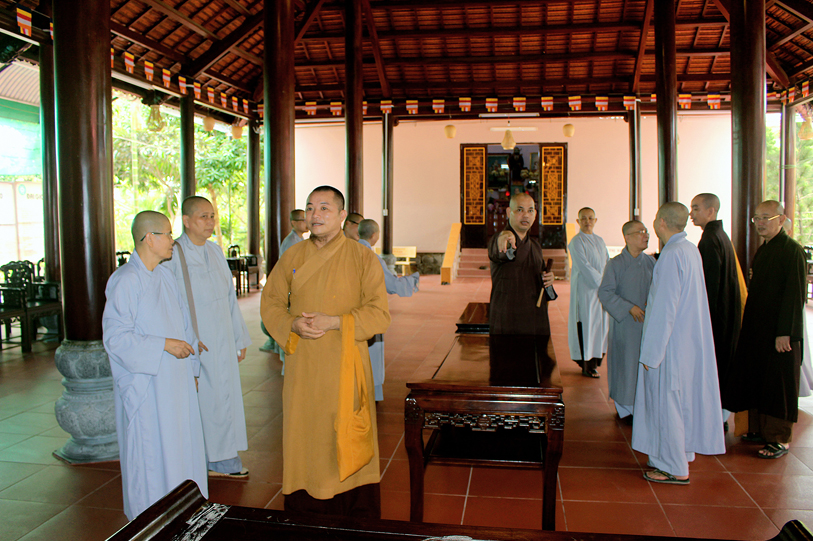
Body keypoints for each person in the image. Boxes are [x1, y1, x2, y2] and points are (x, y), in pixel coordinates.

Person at [261, 186, 390, 517]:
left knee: (346, 431)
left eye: (324, 208)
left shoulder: (362, 257)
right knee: (305, 433)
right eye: (309, 208)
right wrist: (292, 324)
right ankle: (306, 507)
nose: (314, 215)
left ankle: (354, 509)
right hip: (304, 365)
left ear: (342, 215)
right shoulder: (293, 256)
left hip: (346, 363)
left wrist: (336, 322)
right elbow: (271, 301)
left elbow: (379, 314)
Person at [102, 211, 207, 520]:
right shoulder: (125, 280)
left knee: (181, 444)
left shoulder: (165, 275)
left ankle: (183, 508)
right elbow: (116, 338)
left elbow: (184, 323)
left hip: (176, 378)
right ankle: (150, 516)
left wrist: (193, 367)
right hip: (148, 382)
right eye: (167, 234)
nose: (173, 240)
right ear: (149, 238)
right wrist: (162, 344)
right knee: (151, 449)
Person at [632, 202, 725, 484]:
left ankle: (672, 466)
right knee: (680, 401)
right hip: (686, 341)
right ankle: (680, 453)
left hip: (669, 345)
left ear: (661, 222)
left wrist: (651, 353)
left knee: (667, 403)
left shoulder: (672, 254)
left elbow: (664, 308)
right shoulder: (689, 249)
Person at [164, 196, 252, 478]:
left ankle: (223, 456)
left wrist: (239, 337)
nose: (210, 222)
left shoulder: (214, 251)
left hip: (222, 338)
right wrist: (184, 337)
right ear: (186, 221)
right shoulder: (173, 255)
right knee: (205, 402)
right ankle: (206, 460)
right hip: (196, 343)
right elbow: (167, 303)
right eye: (203, 216)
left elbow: (229, 298)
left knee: (225, 399)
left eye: (212, 216)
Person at [729, 200, 806, 459]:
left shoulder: (792, 251)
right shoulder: (764, 250)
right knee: (761, 379)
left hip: (780, 334)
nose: (760, 223)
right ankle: (761, 430)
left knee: (779, 385)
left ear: (781, 220)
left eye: (766, 217)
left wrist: (786, 332)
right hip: (760, 330)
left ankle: (779, 438)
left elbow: (795, 295)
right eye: (757, 218)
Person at [689, 193, 741, 430]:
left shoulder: (710, 239)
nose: (691, 214)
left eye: (696, 208)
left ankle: (714, 419)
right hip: (726, 314)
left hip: (715, 317)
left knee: (713, 367)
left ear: (711, 211)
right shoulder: (720, 235)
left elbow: (708, 286)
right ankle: (718, 416)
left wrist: (700, 320)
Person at [597, 220, 655, 422]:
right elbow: (605, 292)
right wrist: (628, 307)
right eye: (640, 232)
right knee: (626, 365)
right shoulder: (616, 264)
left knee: (643, 364)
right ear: (627, 237)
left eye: (646, 231)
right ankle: (625, 408)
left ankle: (643, 406)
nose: (645, 235)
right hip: (626, 326)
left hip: (646, 325)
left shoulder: (651, 262)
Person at [357, 218, 419, 401]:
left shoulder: (348, 252)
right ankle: (370, 393)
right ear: (375, 236)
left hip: (351, 310)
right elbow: (391, 284)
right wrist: (413, 280)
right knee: (372, 354)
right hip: (369, 311)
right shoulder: (371, 257)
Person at [488, 192, 555, 335]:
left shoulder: (535, 246)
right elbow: (501, 249)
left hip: (535, 317)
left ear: (535, 214)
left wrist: (549, 279)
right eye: (520, 210)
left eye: (530, 211)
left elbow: (542, 279)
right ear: (508, 212)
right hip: (508, 317)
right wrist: (504, 236)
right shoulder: (499, 239)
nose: (526, 215)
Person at [260, 209, 309, 359]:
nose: (306, 223)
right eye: (302, 220)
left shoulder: (300, 239)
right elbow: (292, 268)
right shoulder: (291, 242)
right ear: (294, 223)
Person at [568, 207, 609, 377]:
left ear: (595, 220)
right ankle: (586, 365)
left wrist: (608, 282)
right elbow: (584, 266)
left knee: (600, 327)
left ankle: (595, 362)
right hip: (585, 292)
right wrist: (602, 282)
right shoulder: (576, 242)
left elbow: (607, 263)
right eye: (583, 218)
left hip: (600, 292)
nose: (587, 221)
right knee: (586, 325)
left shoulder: (600, 241)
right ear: (578, 221)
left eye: (591, 218)